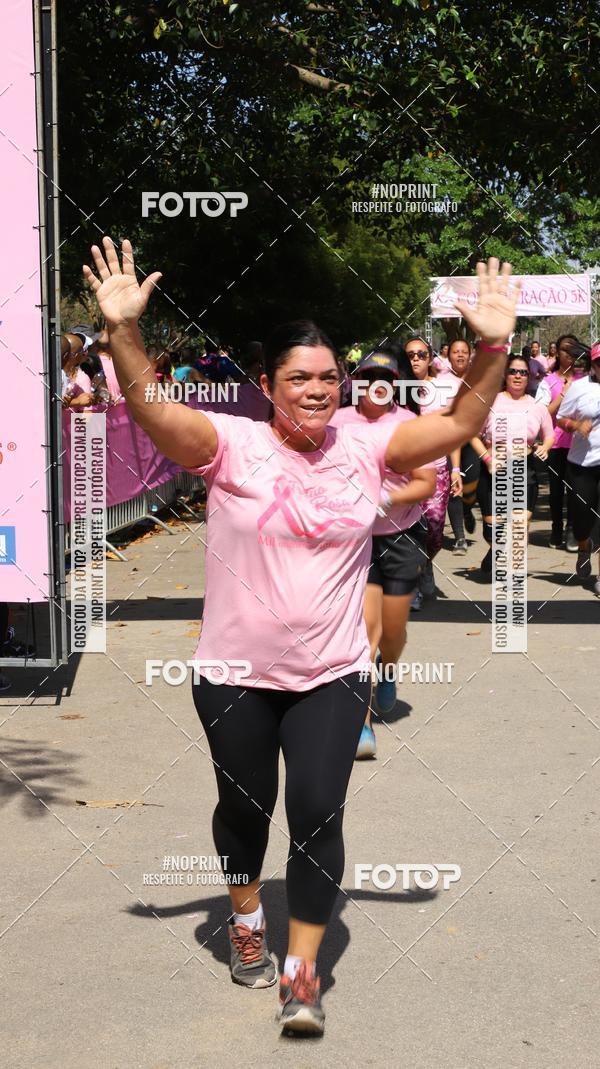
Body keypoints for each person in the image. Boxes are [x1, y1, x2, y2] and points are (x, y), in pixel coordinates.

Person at [83, 238, 519, 1036]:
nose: (317, 390)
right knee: (244, 809)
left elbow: (462, 420)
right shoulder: (230, 446)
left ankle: (302, 973)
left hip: (332, 672)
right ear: (268, 385)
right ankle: (247, 913)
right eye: (299, 378)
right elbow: (150, 407)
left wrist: (492, 347)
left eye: (327, 377)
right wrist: (123, 332)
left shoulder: (369, 447)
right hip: (234, 673)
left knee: (318, 811)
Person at [330, 349, 435, 757]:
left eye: (386, 379)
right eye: (369, 377)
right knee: (364, 631)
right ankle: (362, 723)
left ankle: (389, 668)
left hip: (401, 536)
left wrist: (386, 498)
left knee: (392, 632)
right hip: (354, 539)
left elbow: (425, 483)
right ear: (356, 382)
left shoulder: (409, 424)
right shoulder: (337, 422)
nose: (377, 385)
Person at [476, 354, 554, 573]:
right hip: (494, 469)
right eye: (513, 371)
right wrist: (487, 459)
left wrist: (545, 447)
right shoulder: (490, 401)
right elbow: (473, 434)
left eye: (523, 372)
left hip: (524, 470)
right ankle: (496, 549)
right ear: (505, 374)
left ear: (529, 376)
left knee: (520, 526)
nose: (518, 376)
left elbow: (549, 435)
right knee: (493, 531)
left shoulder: (537, 406)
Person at [404, 336, 462, 605]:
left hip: (437, 471)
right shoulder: (396, 389)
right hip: (402, 475)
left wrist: (456, 469)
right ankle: (413, 584)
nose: (415, 359)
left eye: (421, 354)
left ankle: (425, 565)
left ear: (430, 359)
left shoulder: (441, 389)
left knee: (435, 534)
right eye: (410, 355)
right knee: (407, 531)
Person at [557, 341, 600, 595]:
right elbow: (560, 418)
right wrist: (575, 426)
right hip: (582, 464)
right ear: (593, 364)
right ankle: (584, 545)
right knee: (582, 519)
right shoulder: (579, 387)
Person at [535, 334, 585, 550]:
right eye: (565, 349)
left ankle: (572, 530)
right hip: (555, 443)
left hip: (580, 444)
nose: (569, 353)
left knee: (576, 489)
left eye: (573, 348)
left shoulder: (586, 379)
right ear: (557, 352)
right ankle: (557, 528)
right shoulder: (548, 381)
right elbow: (542, 413)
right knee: (556, 491)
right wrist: (563, 394)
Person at [436, 339, 480, 553]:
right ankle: (459, 538)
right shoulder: (440, 381)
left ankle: (467, 509)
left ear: (470, 355)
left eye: (464, 352)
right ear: (449, 356)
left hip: (473, 441)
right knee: (454, 485)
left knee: (471, 486)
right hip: (449, 440)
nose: (460, 355)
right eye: (456, 352)